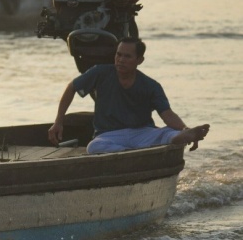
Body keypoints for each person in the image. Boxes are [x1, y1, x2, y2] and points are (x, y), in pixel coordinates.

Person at [48, 37, 209, 154]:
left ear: (139, 60)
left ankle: (180, 137)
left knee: (168, 134)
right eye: (118, 55)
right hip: (110, 135)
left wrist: (185, 129)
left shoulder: (150, 85)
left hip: (142, 132)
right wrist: (58, 122)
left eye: (127, 56)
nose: (120, 60)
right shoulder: (100, 72)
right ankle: (132, 153)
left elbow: (167, 115)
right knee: (94, 147)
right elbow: (72, 87)